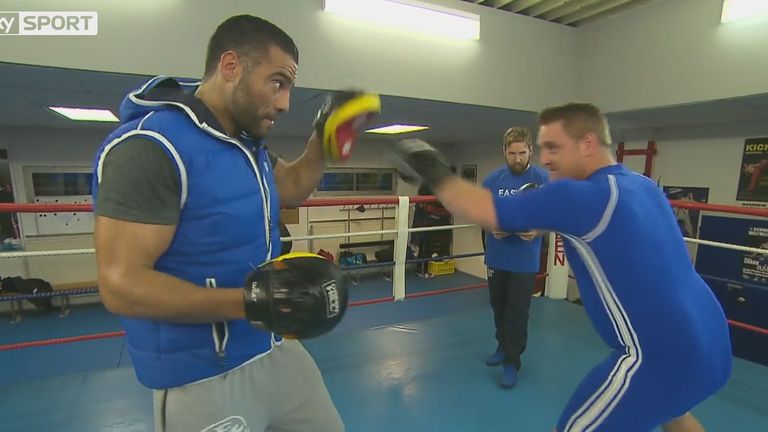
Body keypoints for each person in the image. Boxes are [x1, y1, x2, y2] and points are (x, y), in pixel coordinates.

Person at [92, 15, 379, 432]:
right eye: (277, 82)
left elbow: (294, 185)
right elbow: (120, 284)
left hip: (272, 348)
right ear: (231, 67)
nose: (284, 103)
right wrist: (255, 302)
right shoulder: (150, 148)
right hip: (201, 377)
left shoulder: (247, 147)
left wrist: (324, 136)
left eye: (290, 89)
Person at [392, 103, 732, 432]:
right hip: (711, 341)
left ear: (587, 144)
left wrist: (428, 164)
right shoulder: (643, 186)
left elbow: (479, 208)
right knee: (673, 412)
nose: (545, 159)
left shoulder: (581, 196)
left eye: (554, 147)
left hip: (657, 357)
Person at [481, 127, 548, 388]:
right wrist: (490, 225)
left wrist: (538, 230)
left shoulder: (542, 178)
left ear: (531, 151)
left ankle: (512, 361)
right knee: (498, 307)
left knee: (517, 312)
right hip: (497, 257)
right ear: (504, 152)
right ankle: (501, 346)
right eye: (512, 153)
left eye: (522, 153)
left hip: (524, 259)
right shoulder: (492, 180)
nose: (517, 158)